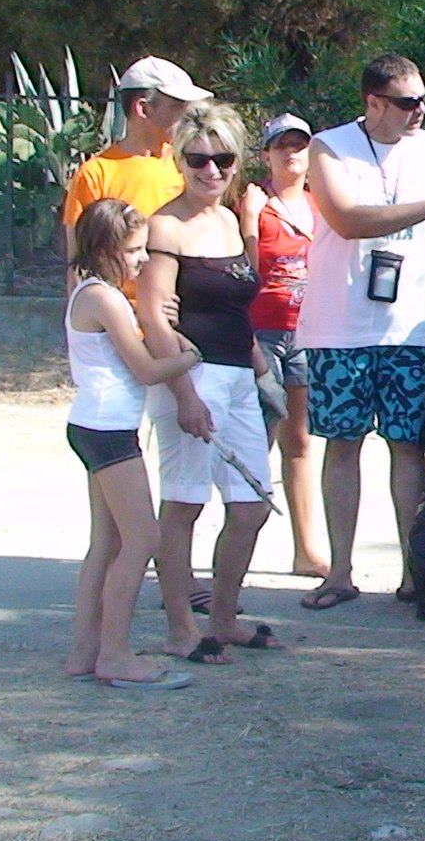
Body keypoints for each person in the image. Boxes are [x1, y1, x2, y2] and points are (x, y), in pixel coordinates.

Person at [296, 54, 425, 611]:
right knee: (343, 443)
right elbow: (347, 219)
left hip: (410, 327)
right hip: (340, 326)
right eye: (407, 103)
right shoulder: (329, 146)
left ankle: (415, 570)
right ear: (374, 102)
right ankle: (339, 572)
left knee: (408, 445)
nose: (419, 112)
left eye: (423, 101)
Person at [138, 103, 281, 663]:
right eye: (199, 160)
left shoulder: (228, 221)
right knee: (184, 504)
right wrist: (184, 395)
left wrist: (259, 370)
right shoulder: (166, 225)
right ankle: (181, 629)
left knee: (250, 504)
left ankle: (223, 618)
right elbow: (154, 318)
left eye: (223, 159)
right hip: (190, 377)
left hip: (239, 376)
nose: (212, 171)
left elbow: (236, 304)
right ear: (181, 161)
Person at [62, 198, 206, 690]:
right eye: (134, 250)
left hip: (98, 425)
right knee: (142, 539)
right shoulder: (102, 297)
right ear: (104, 250)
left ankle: (86, 650)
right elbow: (146, 368)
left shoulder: (99, 294)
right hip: (106, 430)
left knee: (107, 542)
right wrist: (189, 356)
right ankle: (115, 654)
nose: (143, 259)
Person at [240, 113, 328, 580]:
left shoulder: (321, 205)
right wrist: (251, 222)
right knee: (256, 439)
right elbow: (244, 274)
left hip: (308, 332)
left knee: (300, 440)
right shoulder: (253, 205)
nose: (291, 153)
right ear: (266, 154)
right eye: (281, 146)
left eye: (300, 145)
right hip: (263, 332)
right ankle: (236, 547)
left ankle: (306, 549)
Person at [60, 56, 214, 280]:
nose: (187, 117)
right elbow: (78, 263)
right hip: (121, 310)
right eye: (178, 107)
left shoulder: (190, 163)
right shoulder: (96, 174)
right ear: (143, 109)